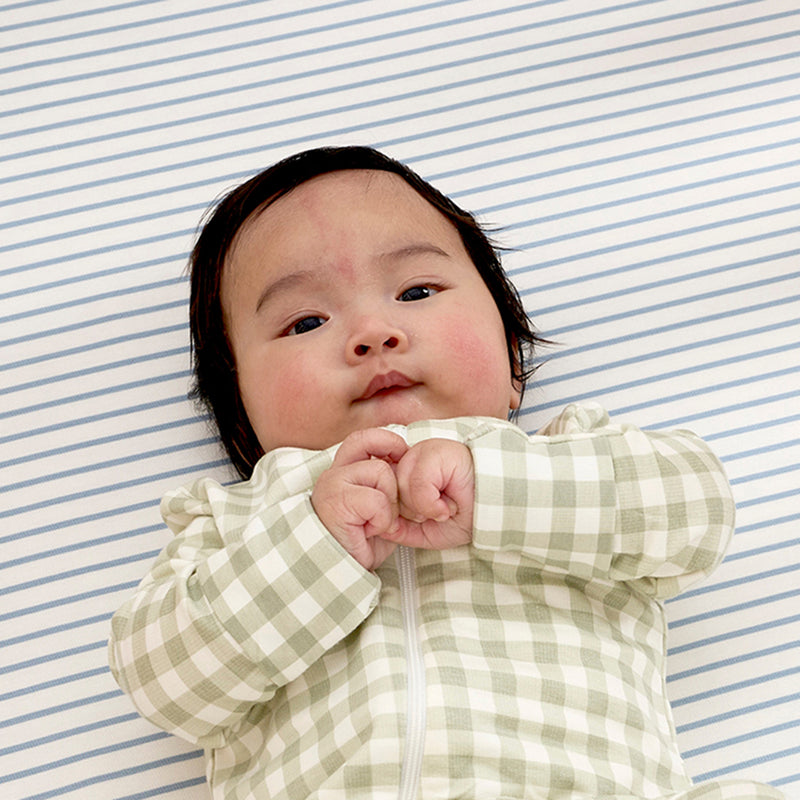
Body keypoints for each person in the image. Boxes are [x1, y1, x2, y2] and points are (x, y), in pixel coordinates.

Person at [109, 146, 784, 800]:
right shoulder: (236, 524)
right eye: (306, 320)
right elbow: (163, 682)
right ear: (241, 418)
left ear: (512, 366)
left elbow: (696, 508)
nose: (372, 331)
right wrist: (314, 545)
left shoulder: (570, 456)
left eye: (416, 289)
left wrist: (496, 489)